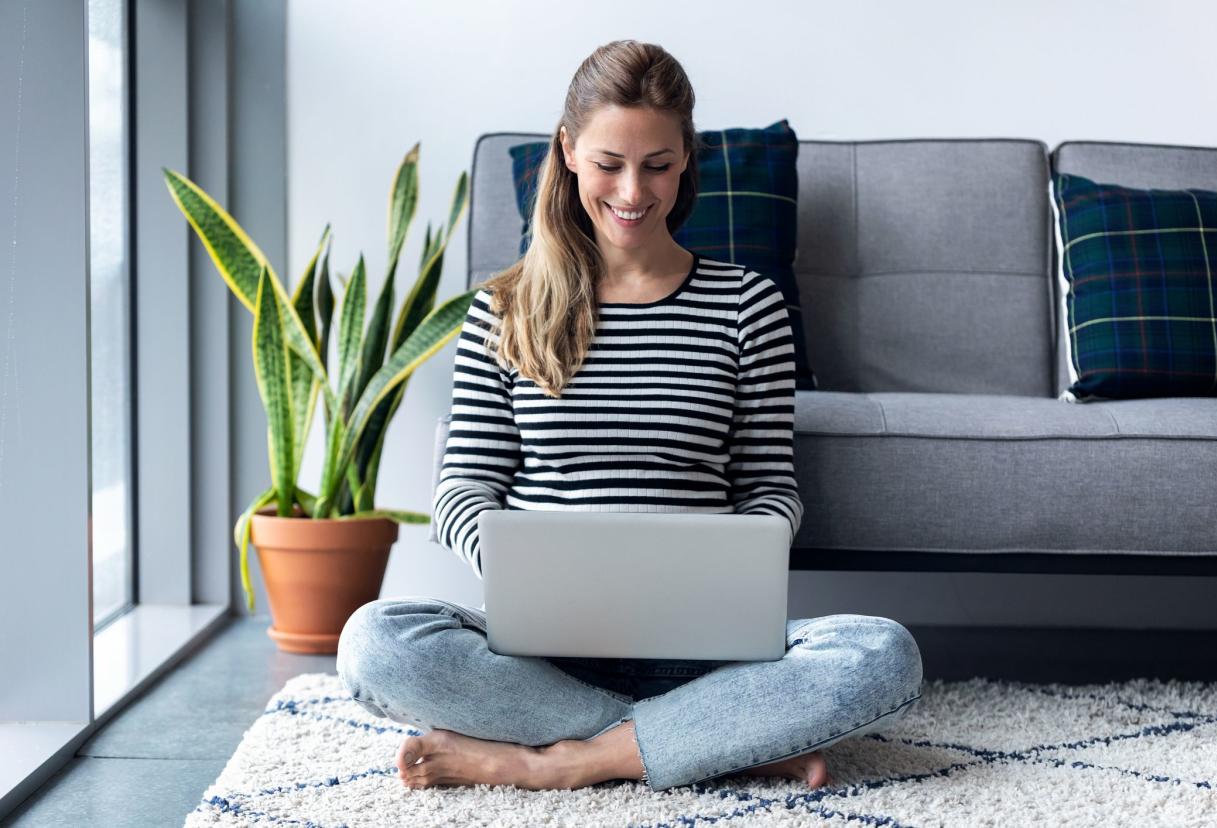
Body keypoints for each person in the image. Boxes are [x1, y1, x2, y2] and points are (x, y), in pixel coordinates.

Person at [335, 39, 923, 794]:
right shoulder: (504, 308)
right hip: (538, 652)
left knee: (883, 653)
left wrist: (745, 548)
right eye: (609, 162)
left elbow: (771, 488)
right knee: (375, 643)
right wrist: (531, 574)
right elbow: (462, 491)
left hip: (705, 648)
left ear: (686, 162)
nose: (632, 191)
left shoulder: (748, 307)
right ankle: (712, 738)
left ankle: (564, 760)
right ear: (569, 152)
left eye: (657, 165)